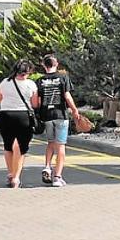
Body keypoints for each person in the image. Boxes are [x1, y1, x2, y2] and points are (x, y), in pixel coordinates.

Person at [35, 54, 82, 187]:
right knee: (60, 146)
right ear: (56, 64)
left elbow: (38, 102)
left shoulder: (39, 81)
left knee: (50, 143)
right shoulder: (63, 78)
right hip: (60, 115)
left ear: (44, 65)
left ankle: (47, 167)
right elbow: (67, 96)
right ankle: (57, 177)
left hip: (47, 117)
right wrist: (74, 110)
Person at [0, 59, 40, 188]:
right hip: (23, 116)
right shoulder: (31, 85)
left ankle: (10, 173)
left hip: (5, 116)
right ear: (28, 71)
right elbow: (35, 104)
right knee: (20, 147)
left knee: (8, 146)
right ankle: (16, 177)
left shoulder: (5, 82)